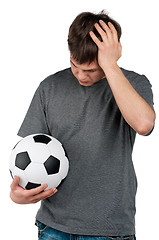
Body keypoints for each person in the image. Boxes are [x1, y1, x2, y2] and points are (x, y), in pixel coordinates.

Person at [10, 11, 156, 240]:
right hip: (53, 227)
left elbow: (144, 124)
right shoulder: (50, 87)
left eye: (90, 70)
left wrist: (110, 65)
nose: (80, 75)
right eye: (74, 65)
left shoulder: (134, 83)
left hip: (109, 230)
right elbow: (30, 153)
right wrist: (18, 194)